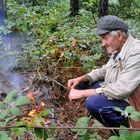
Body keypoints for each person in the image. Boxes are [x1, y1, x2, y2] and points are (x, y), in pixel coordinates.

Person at [67, 15, 140, 131]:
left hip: (134, 104)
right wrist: (83, 78)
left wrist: (83, 94)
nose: (102, 44)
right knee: (81, 85)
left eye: (105, 38)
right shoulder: (119, 50)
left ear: (120, 36)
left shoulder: (136, 52)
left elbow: (122, 89)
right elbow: (104, 70)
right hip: (123, 96)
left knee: (94, 103)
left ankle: (124, 131)